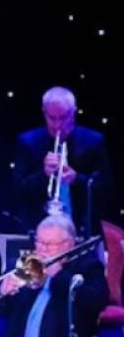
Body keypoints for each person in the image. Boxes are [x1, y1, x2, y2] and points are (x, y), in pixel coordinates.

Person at [0, 214, 108, 337]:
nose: (42, 249)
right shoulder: (26, 265)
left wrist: (58, 275)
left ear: (68, 244)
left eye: (50, 244)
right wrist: (2, 293)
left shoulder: (87, 266)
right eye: (39, 242)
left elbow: (96, 301)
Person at [12, 86, 112, 234]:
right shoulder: (28, 142)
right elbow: (17, 191)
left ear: (74, 112)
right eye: (52, 118)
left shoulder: (94, 141)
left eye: (64, 117)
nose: (58, 124)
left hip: (81, 229)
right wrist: (43, 174)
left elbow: (106, 189)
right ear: (44, 113)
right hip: (39, 231)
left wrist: (76, 179)